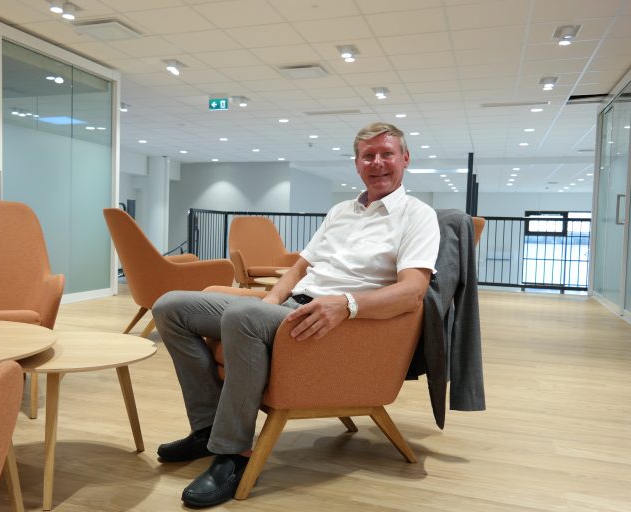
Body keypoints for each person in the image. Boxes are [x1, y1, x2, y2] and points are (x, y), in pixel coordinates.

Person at [151, 122, 440, 507]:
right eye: (368, 155)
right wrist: (270, 301)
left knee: (242, 318)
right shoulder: (341, 211)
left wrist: (347, 304)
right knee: (170, 307)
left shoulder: (418, 216)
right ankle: (206, 429)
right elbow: (300, 267)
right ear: (356, 163)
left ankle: (234, 453)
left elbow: (413, 292)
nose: (377, 163)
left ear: (405, 158)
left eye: (387, 153)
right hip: (291, 308)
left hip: (334, 323)